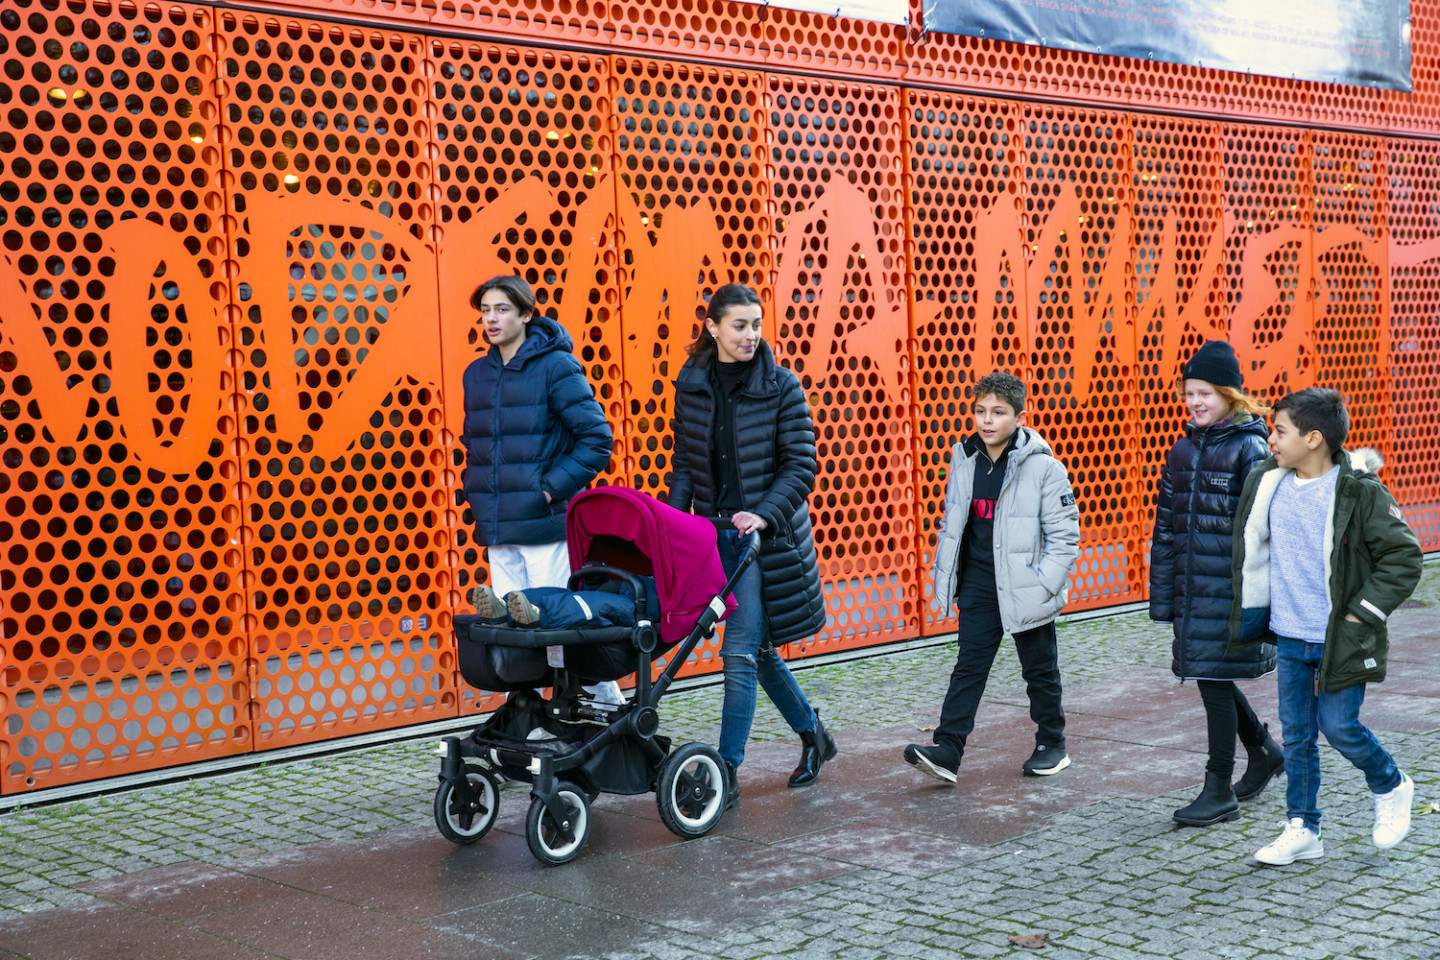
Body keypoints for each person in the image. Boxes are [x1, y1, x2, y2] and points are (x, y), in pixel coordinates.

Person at [1230, 388, 1423, 865]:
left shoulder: (1359, 491)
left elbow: (1403, 556)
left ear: (1313, 438)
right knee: (1296, 737)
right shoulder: (1267, 482)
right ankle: (1303, 827)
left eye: (1280, 430)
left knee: (1338, 726)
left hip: (1343, 636)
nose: (1271, 439)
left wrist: (1362, 612)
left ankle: (1391, 784)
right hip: (1291, 633)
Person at [666, 283, 832, 809]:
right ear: (712, 327)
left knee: (737, 653)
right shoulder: (690, 383)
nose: (751, 335)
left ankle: (725, 771)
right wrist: (674, 522)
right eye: (739, 325)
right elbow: (685, 464)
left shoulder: (781, 385)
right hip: (712, 537)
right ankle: (815, 736)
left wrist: (762, 514)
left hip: (761, 539)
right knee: (759, 654)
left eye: (756, 325)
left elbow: (801, 464)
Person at [905, 371, 1080, 783]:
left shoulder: (1044, 468)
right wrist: (948, 574)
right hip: (979, 584)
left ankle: (1052, 744)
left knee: (1039, 670)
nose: (987, 421)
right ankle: (948, 749)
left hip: (1025, 586)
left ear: (1019, 417)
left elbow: (1065, 534)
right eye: (981, 411)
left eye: (998, 413)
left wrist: (1044, 584)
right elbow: (954, 521)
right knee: (969, 666)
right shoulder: (963, 459)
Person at [461, 274, 622, 704]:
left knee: (557, 627)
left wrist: (548, 490)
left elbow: (597, 440)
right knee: (515, 632)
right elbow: (474, 444)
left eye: (502, 309)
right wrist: (473, 492)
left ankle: (608, 707)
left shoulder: (556, 366)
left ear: (527, 315)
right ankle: (532, 717)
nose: (491, 319)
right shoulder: (476, 374)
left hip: (544, 524)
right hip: (498, 527)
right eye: (486, 310)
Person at [1149, 342, 1283, 826]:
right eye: (1189, 394)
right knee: (1213, 677)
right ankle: (1264, 751)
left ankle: (1218, 787)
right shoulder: (1182, 449)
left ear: (1229, 394)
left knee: (1212, 680)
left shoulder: (1250, 448)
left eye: (1205, 392)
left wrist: (1259, 599)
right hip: (1193, 593)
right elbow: (1165, 529)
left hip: (1229, 594)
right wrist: (1164, 599)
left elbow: (1266, 531)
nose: (1195, 402)